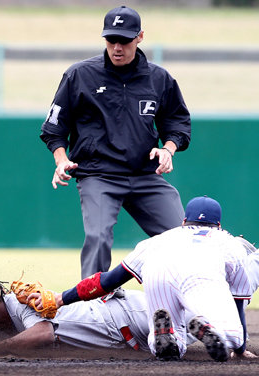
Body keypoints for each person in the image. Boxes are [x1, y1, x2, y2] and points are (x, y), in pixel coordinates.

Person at [29, 196, 259, 362]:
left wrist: (61, 298)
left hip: (158, 271)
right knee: (230, 333)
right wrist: (241, 346)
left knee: (168, 343)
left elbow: (107, 280)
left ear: (182, 221)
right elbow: (238, 304)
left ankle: (168, 337)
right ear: (219, 225)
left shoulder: (157, 240)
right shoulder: (228, 243)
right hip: (203, 273)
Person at [40, 5, 191, 279]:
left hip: (145, 174)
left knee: (184, 238)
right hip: (99, 175)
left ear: (140, 37)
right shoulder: (80, 75)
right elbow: (54, 127)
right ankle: (91, 310)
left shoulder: (159, 79)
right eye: (111, 40)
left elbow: (177, 123)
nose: (117, 47)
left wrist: (168, 149)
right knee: (97, 238)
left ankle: (190, 303)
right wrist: (61, 160)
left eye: (124, 40)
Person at [0, 262, 150, 356]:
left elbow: (44, 333)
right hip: (130, 343)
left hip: (126, 313)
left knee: (182, 319)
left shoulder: (19, 301)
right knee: (174, 347)